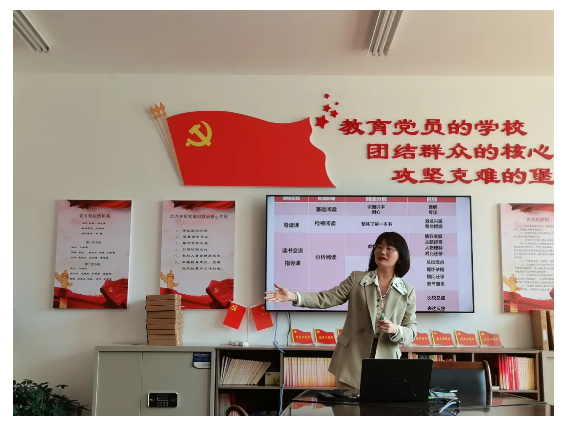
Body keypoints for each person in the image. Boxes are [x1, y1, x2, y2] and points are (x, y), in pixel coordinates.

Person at [265, 231, 417, 392]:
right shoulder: (357, 279)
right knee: (348, 406)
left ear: (400, 256)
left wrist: (395, 329)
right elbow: (327, 298)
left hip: (386, 362)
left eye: (389, 248)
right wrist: (293, 296)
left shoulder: (407, 291)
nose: (382, 251)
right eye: (379, 247)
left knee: (380, 407)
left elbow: (412, 331)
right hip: (352, 359)